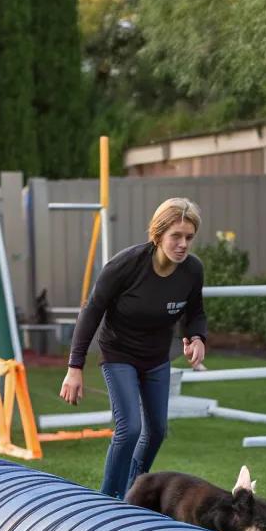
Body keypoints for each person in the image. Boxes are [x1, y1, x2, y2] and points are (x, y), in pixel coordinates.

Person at [60, 198, 207, 498]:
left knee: (156, 432)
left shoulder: (192, 270)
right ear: (158, 234)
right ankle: (105, 500)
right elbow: (92, 311)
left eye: (188, 237)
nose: (182, 244)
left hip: (156, 357)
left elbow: (196, 312)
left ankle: (134, 493)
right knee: (130, 429)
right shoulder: (126, 265)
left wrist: (197, 338)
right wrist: (74, 368)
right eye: (175, 236)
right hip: (119, 354)